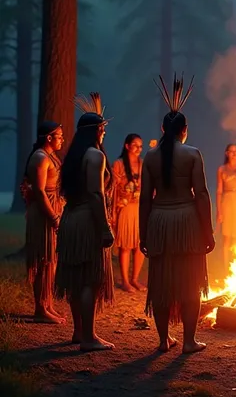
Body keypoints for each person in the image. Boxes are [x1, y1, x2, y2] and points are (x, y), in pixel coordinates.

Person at [139, 75, 215, 354]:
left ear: (162, 129)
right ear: (185, 130)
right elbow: (202, 195)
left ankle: (163, 340)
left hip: (159, 221)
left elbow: (145, 198)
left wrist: (142, 233)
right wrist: (208, 232)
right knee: (189, 282)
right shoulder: (193, 154)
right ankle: (188, 341)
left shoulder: (150, 157)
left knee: (161, 282)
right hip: (186, 221)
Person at [55, 93, 115, 352]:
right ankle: (89, 338)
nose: (104, 134)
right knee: (90, 278)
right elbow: (95, 194)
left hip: (70, 219)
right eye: (102, 130)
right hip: (87, 221)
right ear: (96, 131)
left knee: (77, 278)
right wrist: (105, 228)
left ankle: (79, 332)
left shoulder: (73, 156)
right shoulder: (95, 156)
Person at [22, 121, 65, 323]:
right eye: (59, 135)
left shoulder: (50, 156)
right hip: (43, 214)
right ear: (48, 138)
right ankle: (40, 308)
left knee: (51, 261)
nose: (62, 139)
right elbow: (39, 191)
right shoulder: (40, 158)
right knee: (43, 260)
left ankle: (47, 304)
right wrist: (53, 217)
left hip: (52, 210)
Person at [113, 134, 145, 292]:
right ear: (127, 146)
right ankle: (125, 280)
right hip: (125, 208)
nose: (138, 149)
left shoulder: (142, 164)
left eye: (141, 146)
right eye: (135, 145)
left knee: (140, 245)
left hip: (139, 208)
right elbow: (112, 186)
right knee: (125, 245)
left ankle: (135, 279)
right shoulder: (118, 164)